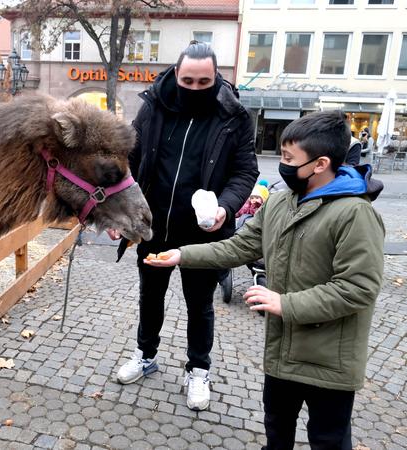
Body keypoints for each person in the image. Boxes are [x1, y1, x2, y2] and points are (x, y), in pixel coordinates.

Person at [145, 110, 385, 449]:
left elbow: (357, 289)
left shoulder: (355, 214)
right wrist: (183, 255)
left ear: (320, 163)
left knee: (328, 440)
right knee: (275, 431)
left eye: (289, 158)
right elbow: (240, 246)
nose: (282, 164)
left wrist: (285, 304)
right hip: (282, 353)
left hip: (329, 361)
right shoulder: (282, 202)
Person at [108, 41, 259, 411]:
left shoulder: (233, 116)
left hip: (204, 235)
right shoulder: (154, 106)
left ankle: (198, 370)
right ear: (177, 73)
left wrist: (225, 207)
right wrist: (117, 212)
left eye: (202, 81)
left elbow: (245, 171)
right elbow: (129, 158)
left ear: (216, 76)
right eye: (187, 80)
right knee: (150, 297)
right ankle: (146, 355)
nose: (193, 88)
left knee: (200, 305)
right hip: (154, 228)